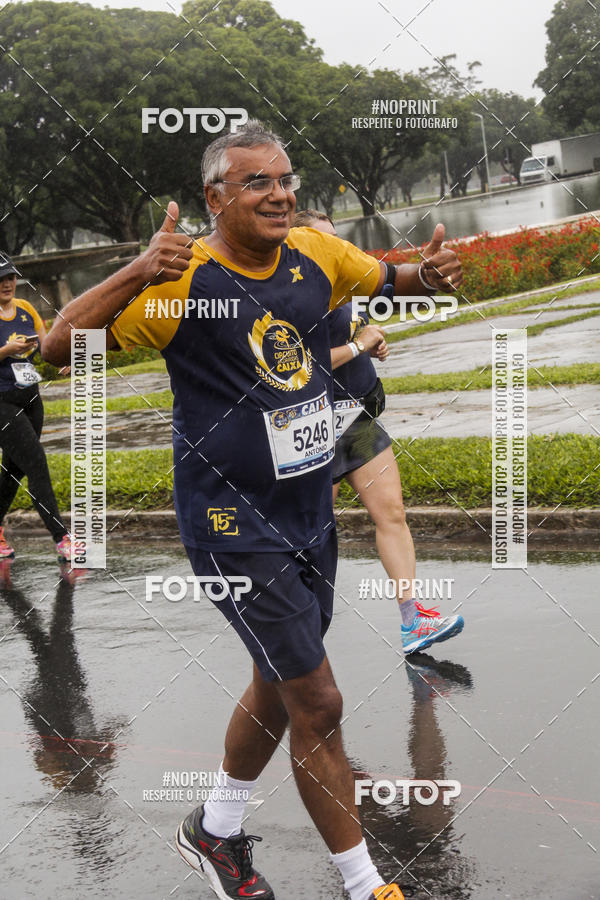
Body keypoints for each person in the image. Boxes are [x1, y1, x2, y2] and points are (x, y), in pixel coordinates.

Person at [42, 120, 463, 900]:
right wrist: (136, 268)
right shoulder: (180, 283)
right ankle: (367, 884)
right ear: (215, 199)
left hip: (308, 512)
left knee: (277, 681)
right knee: (319, 701)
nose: (279, 194)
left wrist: (426, 276)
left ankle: (215, 829)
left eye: (285, 179)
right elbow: (58, 348)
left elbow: (388, 277)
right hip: (233, 526)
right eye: (257, 182)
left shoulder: (316, 252)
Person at [293, 210, 464, 655]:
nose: (335, 250)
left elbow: (367, 320)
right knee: (314, 535)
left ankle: (413, 621)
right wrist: (358, 346)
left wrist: (371, 341)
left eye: (337, 240)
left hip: (356, 421)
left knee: (392, 513)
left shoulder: (348, 281)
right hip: (309, 428)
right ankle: (297, 637)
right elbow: (296, 367)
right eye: (322, 241)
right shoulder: (289, 298)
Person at [0, 254, 75, 561]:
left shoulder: (26, 308)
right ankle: (62, 539)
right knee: (36, 463)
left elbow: (45, 346)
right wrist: (7, 350)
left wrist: (61, 360)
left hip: (31, 398)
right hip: (2, 403)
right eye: (1, 279)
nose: (7, 284)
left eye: (10, 277)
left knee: (13, 471)